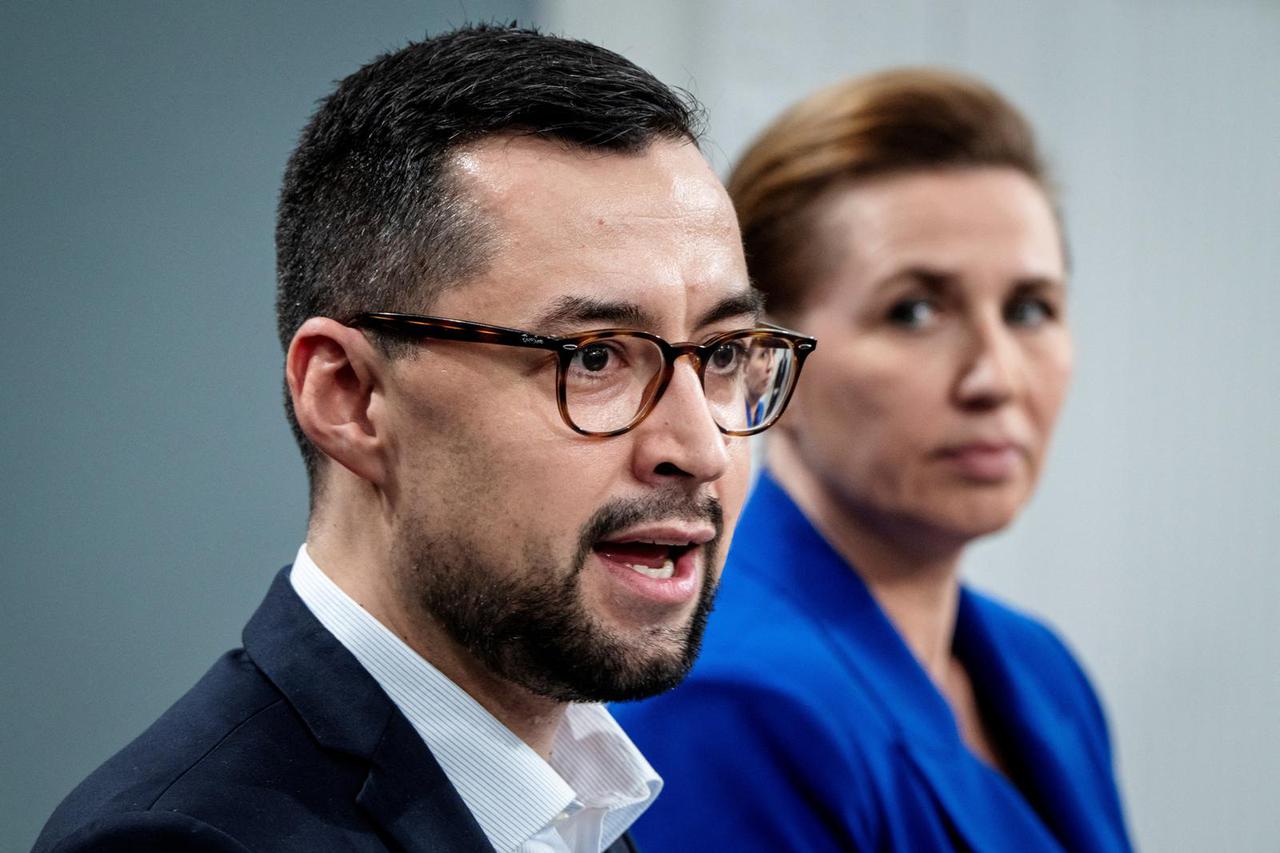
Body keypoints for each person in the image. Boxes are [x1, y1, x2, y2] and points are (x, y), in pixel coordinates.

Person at [33, 25, 815, 853]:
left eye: (723, 354)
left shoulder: (583, 802)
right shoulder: (180, 841)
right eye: (593, 357)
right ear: (350, 395)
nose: (702, 448)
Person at [615, 69, 1132, 851]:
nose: (996, 377)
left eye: (1030, 309)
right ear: (759, 359)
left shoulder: (1041, 668)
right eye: (914, 311)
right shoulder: (729, 700)